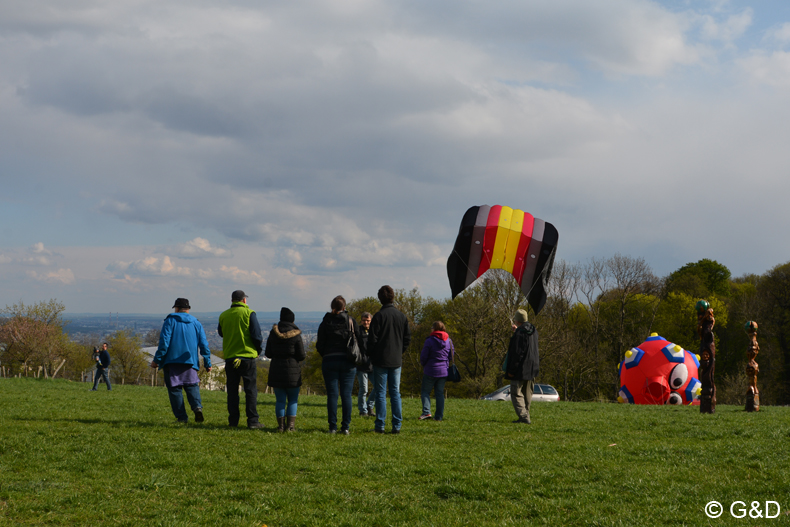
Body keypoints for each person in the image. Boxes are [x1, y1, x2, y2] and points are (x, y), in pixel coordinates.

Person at [150, 298, 212, 424]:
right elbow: (204, 345)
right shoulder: (196, 323)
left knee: (175, 390)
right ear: (188, 309)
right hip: (190, 361)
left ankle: (182, 417)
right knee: (192, 385)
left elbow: (164, 343)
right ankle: (197, 408)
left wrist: (157, 360)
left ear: (176, 309)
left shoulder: (170, 321)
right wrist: (207, 362)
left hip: (171, 362)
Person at [367, 285, 411, 434]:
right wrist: (399, 352)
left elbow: (371, 340)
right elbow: (407, 339)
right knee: (395, 393)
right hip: (396, 360)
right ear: (393, 297)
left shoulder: (379, 316)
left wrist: (372, 355)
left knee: (380, 393)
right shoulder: (401, 316)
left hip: (381, 360)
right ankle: (396, 425)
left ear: (380, 299)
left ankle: (380, 425)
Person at [218, 290, 264, 429]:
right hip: (247, 357)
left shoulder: (223, 315)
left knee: (232, 391)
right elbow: (256, 335)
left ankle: (233, 421)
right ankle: (253, 421)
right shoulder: (249, 313)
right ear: (244, 300)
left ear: (232, 300)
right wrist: (258, 350)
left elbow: (221, 333)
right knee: (250, 390)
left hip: (230, 357)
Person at [316, 295, 359, 434]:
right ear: (344, 307)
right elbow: (359, 341)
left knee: (332, 395)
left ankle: (332, 427)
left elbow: (320, 344)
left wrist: (327, 354)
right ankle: (345, 427)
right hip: (348, 361)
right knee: (346, 395)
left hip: (329, 360)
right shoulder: (351, 321)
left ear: (332, 307)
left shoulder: (325, 322)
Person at [264, 307, 306, 432]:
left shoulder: (273, 333)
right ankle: (290, 427)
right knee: (293, 399)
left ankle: (281, 426)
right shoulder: (296, 335)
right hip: (292, 370)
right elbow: (302, 355)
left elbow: (268, 353)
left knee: (280, 400)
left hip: (276, 369)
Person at [503, 309, 539, 424]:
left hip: (520, 368)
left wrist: (511, 370)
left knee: (516, 392)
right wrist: (516, 331)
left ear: (517, 320)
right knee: (527, 393)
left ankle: (524, 416)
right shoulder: (534, 330)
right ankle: (525, 415)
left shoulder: (520, 333)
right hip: (532, 367)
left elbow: (517, 353)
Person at [419, 321, 455, 421]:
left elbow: (424, 355)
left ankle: (426, 412)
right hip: (444, 371)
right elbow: (452, 355)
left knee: (425, 392)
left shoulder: (429, 340)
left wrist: (423, 364)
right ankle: (439, 416)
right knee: (439, 393)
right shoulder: (449, 341)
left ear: (434, 329)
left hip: (430, 370)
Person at [355, 312, 375, 417]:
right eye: (364, 320)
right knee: (364, 389)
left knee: (378, 387)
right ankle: (363, 411)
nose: (365, 322)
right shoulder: (357, 331)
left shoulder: (375, 331)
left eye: (368, 320)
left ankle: (369, 406)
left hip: (373, 364)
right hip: (361, 365)